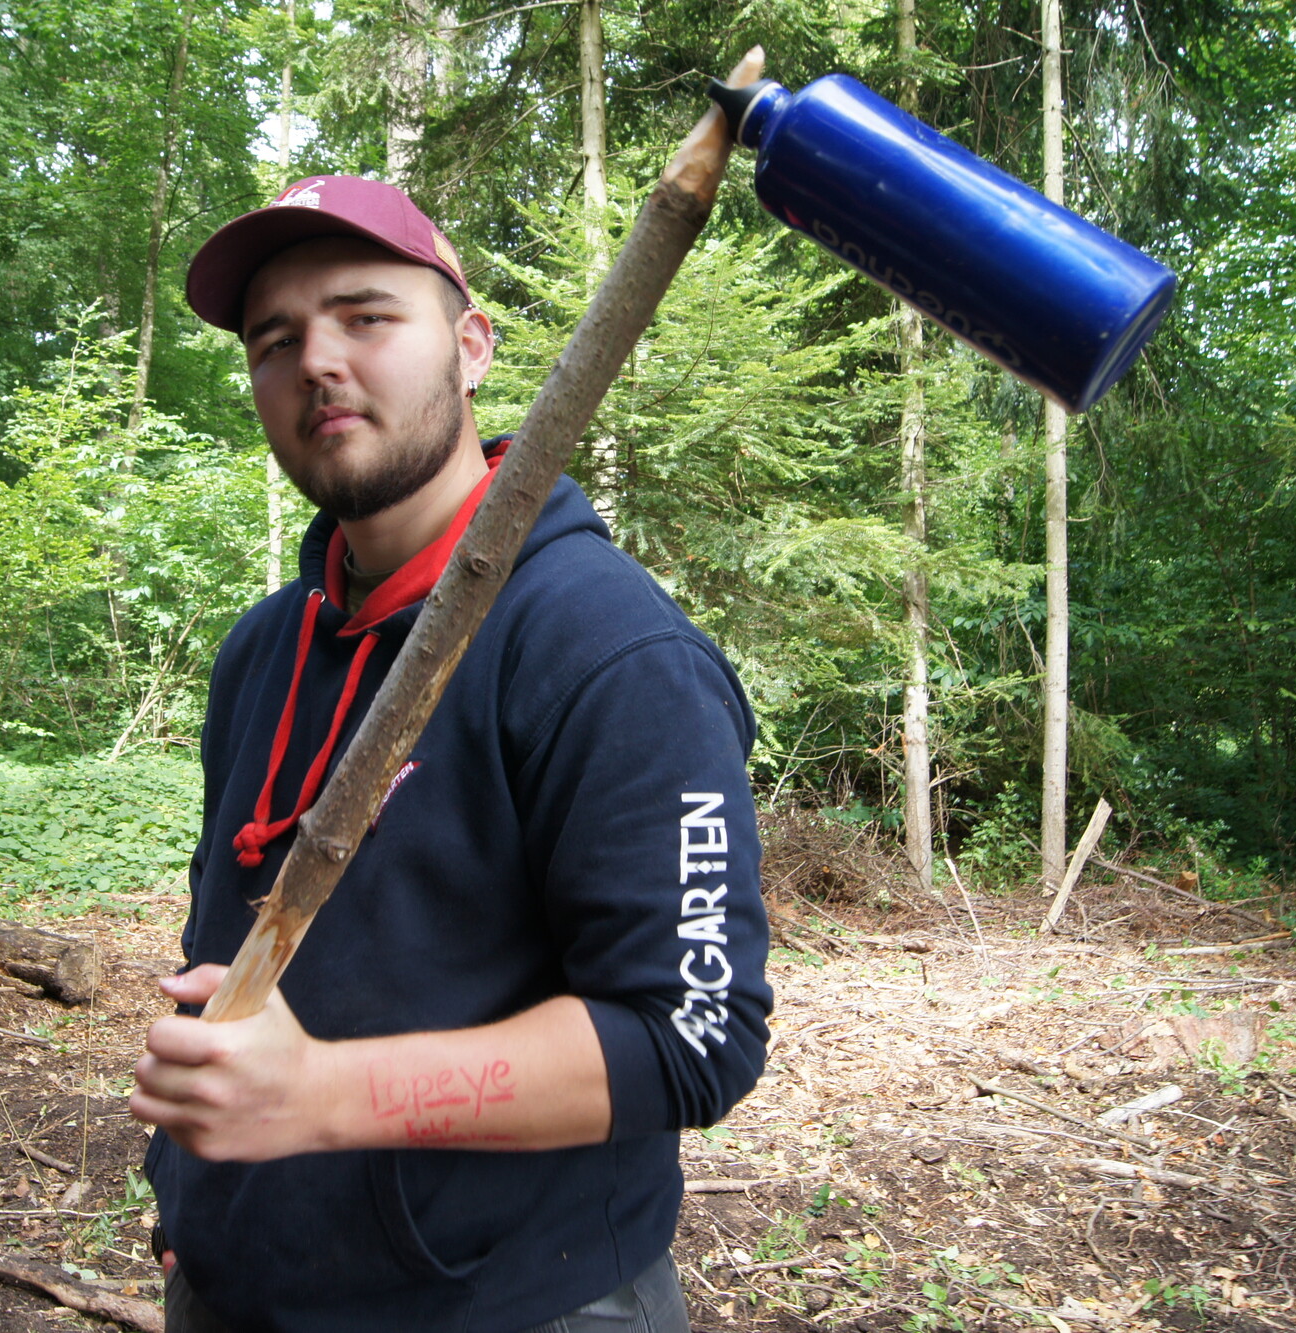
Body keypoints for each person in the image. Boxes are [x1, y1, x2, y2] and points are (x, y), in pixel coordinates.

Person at [129, 174, 772, 1333]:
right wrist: (189, 1192)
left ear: (470, 348)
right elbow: (227, 938)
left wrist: (319, 1093)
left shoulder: (607, 647)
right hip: (232, 1295)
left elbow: (692, 1036)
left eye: (364, 316)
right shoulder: (261, 651)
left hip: (513, 1302)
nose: (316, 360)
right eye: (274, 340)